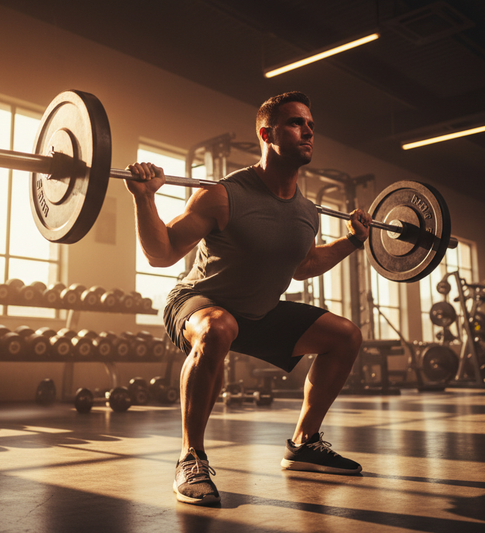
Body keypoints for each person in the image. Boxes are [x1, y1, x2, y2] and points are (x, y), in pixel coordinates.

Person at [125, 91, 371, 506]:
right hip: (199, 302)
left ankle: (304, 444)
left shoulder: (307, 212)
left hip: (258, 312)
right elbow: (161, 253)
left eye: (311, 124)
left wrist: (351, 240)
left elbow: (305, 264)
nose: (308, 130)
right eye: (296, 123)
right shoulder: (222, 195)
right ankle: (190, 457)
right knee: (219, 327)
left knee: (345, 335)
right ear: (266, 133)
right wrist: (144, 197)